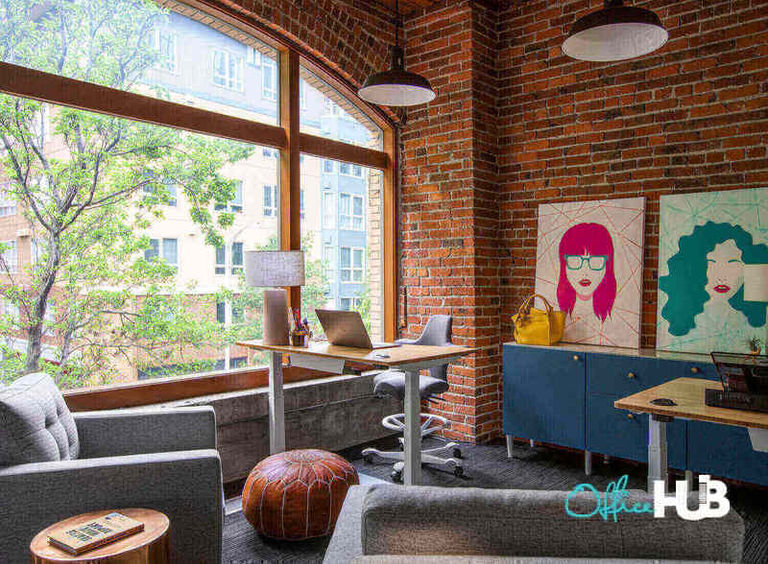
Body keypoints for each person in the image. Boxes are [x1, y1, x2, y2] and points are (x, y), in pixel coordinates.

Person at [659, 221, 768, 352]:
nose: (721, 276)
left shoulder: (744, 321)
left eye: (733, 262)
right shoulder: (691, 319)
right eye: (711, 262)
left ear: (747, 269)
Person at [556, 222, 618, 344]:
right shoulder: (561, 313)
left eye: (595, 260)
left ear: (607, 265)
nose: (585, 272)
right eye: (575, 260)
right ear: (564, 265)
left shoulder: (615, 318)